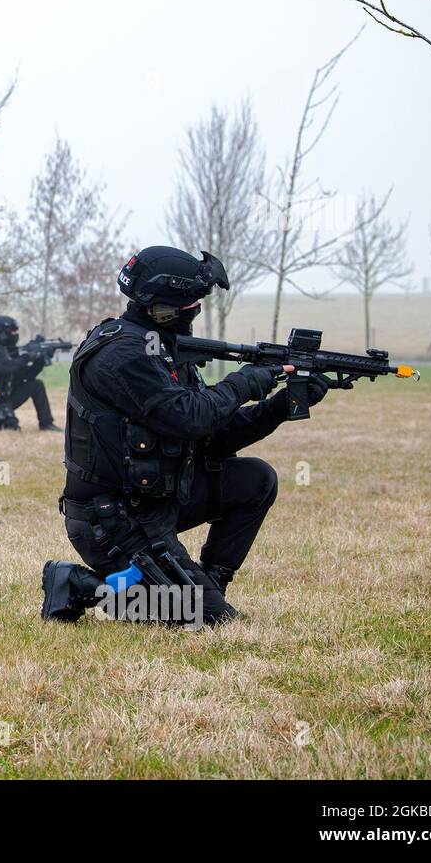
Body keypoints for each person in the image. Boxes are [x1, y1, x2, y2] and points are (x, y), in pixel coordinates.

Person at [45, 245, 331, 626]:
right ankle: (78, 583)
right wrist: (244, 383)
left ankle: (208, 583)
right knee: (212, 622)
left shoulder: (161, 348)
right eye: (191, 302)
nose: (196, 310)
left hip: (157, 503)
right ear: (161, 306)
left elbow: (213, 435)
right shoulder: (124, 355)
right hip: (112, 521)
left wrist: (278, 407)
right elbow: (192, 417)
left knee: (255, 479)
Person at [0, 315, 60, 432]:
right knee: (11, 426)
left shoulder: (10, 351)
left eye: (16, 331)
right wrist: (27, 357)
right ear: (2, 333)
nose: (15, 334)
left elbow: (26, 375)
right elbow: (6, 367)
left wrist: (40, 360)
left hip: (6, 398)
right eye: (13, 331)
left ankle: (46, 424)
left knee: (37, 385)